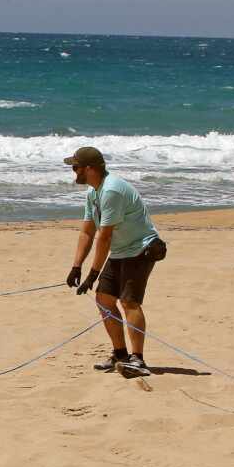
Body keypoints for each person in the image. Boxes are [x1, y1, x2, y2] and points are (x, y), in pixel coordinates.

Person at [64, 146, 166, 379]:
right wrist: (76, 266)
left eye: (75, 167)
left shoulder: (112, 191)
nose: (73, 171)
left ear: (89, 169)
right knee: (104, 299)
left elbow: (105, 236)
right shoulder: (94, 193)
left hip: (141, 249)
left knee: (129, 301)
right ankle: (120, 355)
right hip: (121, 251)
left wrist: (93, 274)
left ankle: (138, 360)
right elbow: (88, 232)